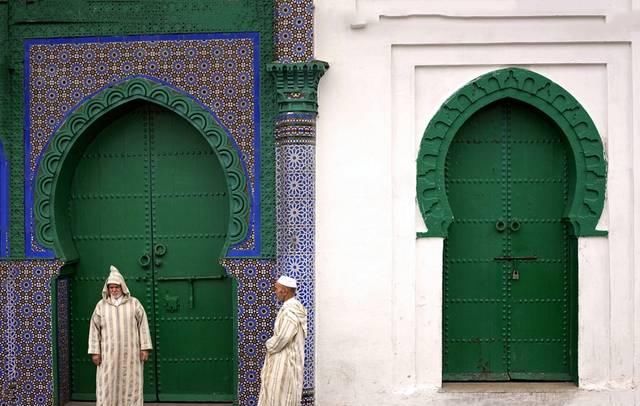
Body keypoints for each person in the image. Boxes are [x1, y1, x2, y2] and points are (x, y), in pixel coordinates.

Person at [88, 265, 153, 406]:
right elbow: (94, 329)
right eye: (111, 287)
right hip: (108, 355)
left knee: (131, 383)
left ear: (122, 287)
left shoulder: (134, 304)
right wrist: (95, 352)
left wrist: (145, 348)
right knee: (107, 383)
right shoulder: (101, 306)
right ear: (108, 289)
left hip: (131, 355)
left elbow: (143, 326)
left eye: (116, 287)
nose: (114, 290)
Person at [258, 275, 308, 406]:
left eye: (276, 289)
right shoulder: (292, 309)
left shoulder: (290, 312)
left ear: (284, 291)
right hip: (286, 359)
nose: (275, 292)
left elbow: (284, 337)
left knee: (282, 397)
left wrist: (269, 345)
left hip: (286, 362)